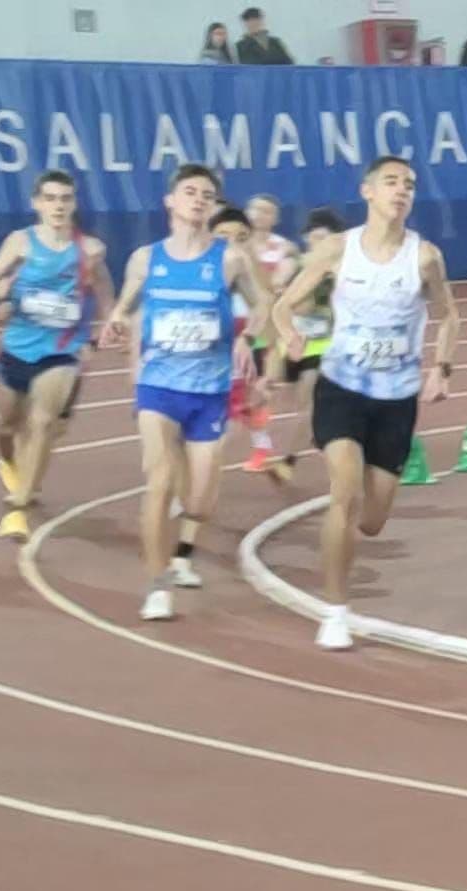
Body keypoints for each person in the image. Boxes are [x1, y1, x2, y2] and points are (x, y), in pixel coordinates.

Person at [273, 157, 460, 650]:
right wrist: (289, 335)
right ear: (368, 191)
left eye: (409, 185)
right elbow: (283, 305)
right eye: (391, 182)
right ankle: (336, 611)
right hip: (342, 387)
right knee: (345, 491)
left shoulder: (425, 258)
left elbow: (449, 316)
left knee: (372, 521)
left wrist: (441, 368)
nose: (402, 191)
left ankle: (341, 537)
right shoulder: (338, 249)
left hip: (396, 398)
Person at [97, 163, 271, 622]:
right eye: (190, 192)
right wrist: (116, 321)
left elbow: (263, 305)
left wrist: (247, 337)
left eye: (207, 195)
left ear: (213, 207)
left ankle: (185, 536)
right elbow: (127, 303)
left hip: (209, 390)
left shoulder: (230, 259)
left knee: (199, 502)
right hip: (158, 386)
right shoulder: (146, 259)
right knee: (157, 483)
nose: (198, 200)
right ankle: (157, 585)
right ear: (170, 201)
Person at [0, 170, 114, 541]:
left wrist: (108, 325)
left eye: (65, 198)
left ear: (74, 203)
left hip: (61, 349)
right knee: (6, 426)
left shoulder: (90, 250)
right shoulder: (20, 242)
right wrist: (5, 290)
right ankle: (10, 465)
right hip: (18, 347)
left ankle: (18, 510)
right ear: (37, 203)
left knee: (43, 422)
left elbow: (104, 290)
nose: (58, 206)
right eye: (50, 198)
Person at [275, 207, 347, 474]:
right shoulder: (296, 263)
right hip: (292, 345)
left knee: (308, 405)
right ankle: (321, 433)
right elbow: (280, 293)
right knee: (298, 405)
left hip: (322, 345)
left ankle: (287, 461)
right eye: (313, 237)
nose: (317, 243)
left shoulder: (340, 270)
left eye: (324, 238)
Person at [240, 194, 299, 475]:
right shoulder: (231, 244)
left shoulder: (284, 248)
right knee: (238, 393)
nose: (259, 215)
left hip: (265, 329)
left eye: (267, 211)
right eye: (255, 209)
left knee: (259, 390)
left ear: (275, 218)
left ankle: (261, 446)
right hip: (233, 326)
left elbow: (277, 283)